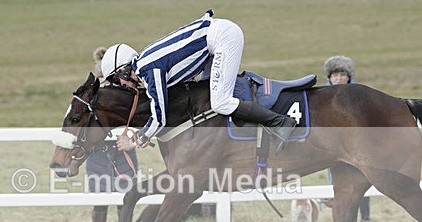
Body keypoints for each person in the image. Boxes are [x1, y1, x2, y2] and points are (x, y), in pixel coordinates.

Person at [101, 10, 297, 151]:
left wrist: (136, 141)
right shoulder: (145, 63)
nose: (121, 86)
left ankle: (281, 123)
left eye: (117, 81)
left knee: (220, 102)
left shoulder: (148, 70)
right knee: (207, 98)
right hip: (215, 37)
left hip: (222, 38)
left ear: (123, 71)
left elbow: (159, 118)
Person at [87, 47, 138, 222]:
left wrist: (130, 137)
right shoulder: (91, 96)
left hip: (123, 151)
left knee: (126, 195)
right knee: (99, 198)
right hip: (98, 153)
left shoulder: (126, 95)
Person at [323, 55, 370, 222]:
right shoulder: (323, 98)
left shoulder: (359, 96)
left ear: (349, 77)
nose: (339, 78)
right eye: (335, 75)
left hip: (357, 146)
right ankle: (341, 220)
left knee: (362, 181)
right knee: (337, 182)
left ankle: (365, 219)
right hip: (334, 148)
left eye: (343, 75)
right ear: (329, 78)